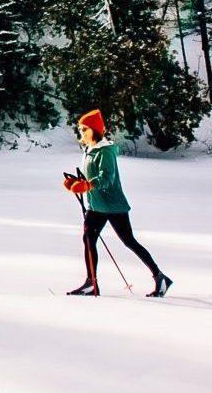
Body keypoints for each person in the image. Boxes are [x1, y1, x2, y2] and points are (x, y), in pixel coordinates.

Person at [63, 109, 175, 298]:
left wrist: (87, 185)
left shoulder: (105, 151)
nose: (81, 132)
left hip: (113, 206)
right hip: (97, 206)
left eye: (84, 128)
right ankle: (91, 284)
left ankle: (160, 277)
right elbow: (91, 177)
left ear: (94, 130)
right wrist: (75, 182)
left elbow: (107, 178)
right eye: (80, 128)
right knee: (88, 238)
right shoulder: (90, 151)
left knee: (128, 241)